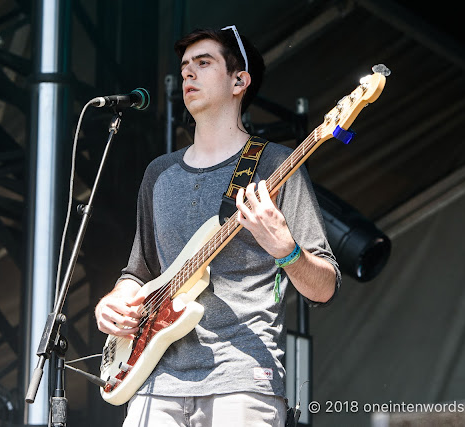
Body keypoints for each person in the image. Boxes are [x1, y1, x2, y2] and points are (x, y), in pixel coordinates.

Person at [95, 25, 341, 427]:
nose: (188, 73)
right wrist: (115, 301)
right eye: (185, 65)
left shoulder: (276, 165)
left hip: (243, 377)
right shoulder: (159, 174)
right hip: (155, 381)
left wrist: (287, 250)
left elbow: (325, 287)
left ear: (239, 81)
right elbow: (138, 272)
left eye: (204, 63)